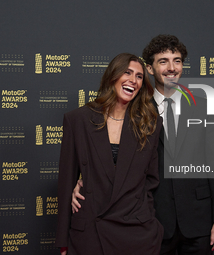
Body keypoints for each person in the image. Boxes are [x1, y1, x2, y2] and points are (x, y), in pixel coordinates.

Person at [72, 35, 214, 254]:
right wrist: (84, 182)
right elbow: (111, 156)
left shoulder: (203, 108)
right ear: (149, 68)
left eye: (177, 60)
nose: (171, 68)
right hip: (151, 220)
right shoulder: (134, 108)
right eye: (163, 61)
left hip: (198, 220)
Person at [55, 53, 164, 255]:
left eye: (139, 76)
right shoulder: (77, 120)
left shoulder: (150, 124)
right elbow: (65, 184)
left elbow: (151, 180)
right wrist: (63, 243)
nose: (133, 80)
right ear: (113, 76)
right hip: (90, 234)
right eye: (127, 72)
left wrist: (145, 215)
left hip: (136, 234)